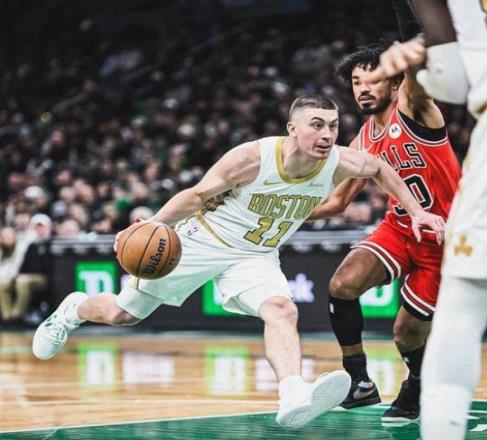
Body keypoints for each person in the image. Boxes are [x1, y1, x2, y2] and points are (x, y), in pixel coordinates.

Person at [32, 94, 445, 430]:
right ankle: (72, 310)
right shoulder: (252, 158)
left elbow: (379, 168)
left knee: (282, 309)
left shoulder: (338, 161)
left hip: (254, 255)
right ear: (293, 128)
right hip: (201, 242)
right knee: (124, 314)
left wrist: (417, 211)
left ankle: (293, 396)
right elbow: (197, 195)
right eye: (316, 124)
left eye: (333, 126)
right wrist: (153, 224)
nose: (326, 134)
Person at [308, 0, 461, 422]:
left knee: (405, 334)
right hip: (399, 228)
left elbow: (416, 49)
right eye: (356, 82)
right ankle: (359, 381)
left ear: (394, 82)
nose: (362, 88)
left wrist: (403, 6)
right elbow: (337, 202)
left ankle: (418, 384)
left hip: (444, 238)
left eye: (372, 79)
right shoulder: (363, 138)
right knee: (342, 284)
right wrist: (285, 214)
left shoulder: (414, 106)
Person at [368, 1, 487, 438]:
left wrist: (417, 54)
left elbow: (450, 81)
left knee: (462, 309)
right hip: (415, 224)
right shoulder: (368, 133)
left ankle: (439, 423)